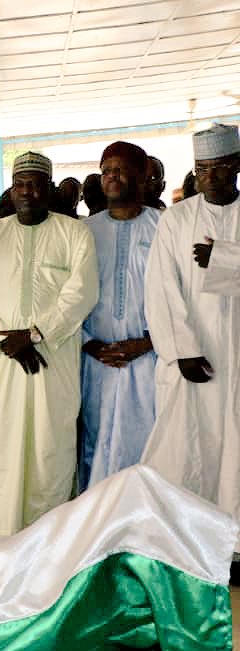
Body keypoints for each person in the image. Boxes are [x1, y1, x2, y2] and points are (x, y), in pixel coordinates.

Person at [0, 151, 99, 536]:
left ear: (49, 189)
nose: (26, 192)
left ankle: (48, 535)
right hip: (3, 361)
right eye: (20, 185)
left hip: (52, 359)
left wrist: (36, 335)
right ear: (11, 189)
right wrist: (2, 339)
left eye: (35, 185)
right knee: (2, 444)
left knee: (49, 446)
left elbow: (81, 293)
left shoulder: (74, 233)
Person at [140, 123, 240, 568]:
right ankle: (190, 543)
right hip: (195, 357)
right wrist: (182, 348)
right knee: (190, 447)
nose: (209, 178)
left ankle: (235, 546)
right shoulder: (177, 219)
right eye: (202, 169)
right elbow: (162, 287)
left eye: (219, 168)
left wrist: (224, 259)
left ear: (237, 166)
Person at [79, 142, 159, 491]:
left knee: (146, 444)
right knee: (95, 444)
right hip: (96, 359)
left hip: (149, 359)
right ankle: (98, 517)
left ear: (142, 176)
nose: (112, 177)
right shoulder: (83, 231)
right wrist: (89, 344)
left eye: (121, 169)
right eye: (106, 170)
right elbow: (69, 296)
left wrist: (148, 342)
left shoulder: (163, 226)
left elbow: (179, 293)